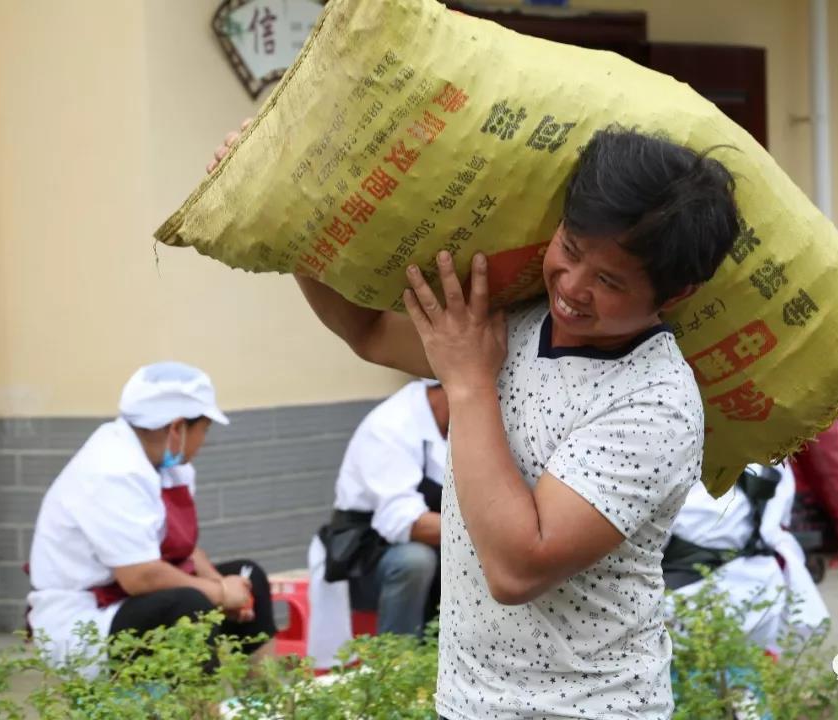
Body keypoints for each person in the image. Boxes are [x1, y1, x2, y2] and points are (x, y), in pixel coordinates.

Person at [210, 125, 739, 718]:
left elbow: (517, 568)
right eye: (570, 248)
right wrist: (281, 214)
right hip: (467, 703)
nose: (571, 286)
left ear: (676, 292)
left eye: (609, 281)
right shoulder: (515, 322)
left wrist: (467, 383)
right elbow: (370, 332)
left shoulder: (656, 404)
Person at [27, 362, 276, 673]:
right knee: (188, 608)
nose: (205, 441)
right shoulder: (113, 470)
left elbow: (181, 549)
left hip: (133, 600)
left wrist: (221, 583)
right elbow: (140, 576)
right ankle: (198, 710)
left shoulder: (167, 463)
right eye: (204, 430)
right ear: (177, 428)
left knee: (249, 577)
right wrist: (219, 593)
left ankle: (266, 702)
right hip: (86, 620)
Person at [306, 379, 448, 668]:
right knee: (414, 561)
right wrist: (484, 533)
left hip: (434, 548)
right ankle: (397, 665)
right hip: (362, 558)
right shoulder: (391, 425)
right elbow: (405, 522)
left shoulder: (458, 426)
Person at [663, 463, 829, 652]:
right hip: (764, 595)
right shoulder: (778, 457)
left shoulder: (674, 459)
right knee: (747, 674)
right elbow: (777, 525)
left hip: (685, 604)